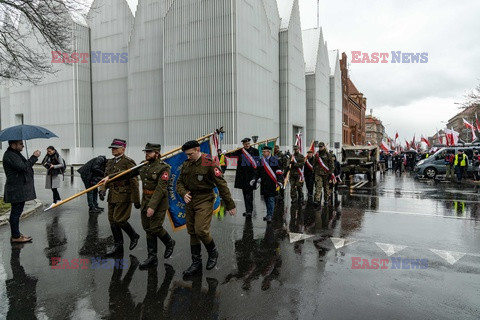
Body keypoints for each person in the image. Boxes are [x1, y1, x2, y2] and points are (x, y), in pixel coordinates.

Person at [101, 143, 175, 269]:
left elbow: (161, 189)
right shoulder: (143, 164)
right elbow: (127, 173)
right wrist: (109, 177)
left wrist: (152, 206)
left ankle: (169, 242)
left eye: (149, 152)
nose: (146, 154)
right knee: (147, 228)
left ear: (157, 153)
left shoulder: (164, 168)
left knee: (155, 227)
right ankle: (152, 257)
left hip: (158, 202)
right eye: (145, 152)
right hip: (146, 200)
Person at [176, 140, 236, 277]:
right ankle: (196, 263)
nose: (188, 157)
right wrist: (183, 193)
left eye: (190, 154)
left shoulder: (208, 163)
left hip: (205, 199)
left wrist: (230, 204)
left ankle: (213, 251)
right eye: (186, 155)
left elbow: (221, 184)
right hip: (190, 200)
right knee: (192, 232)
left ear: (198, 150)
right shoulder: (186, 164)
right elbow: (179, 183)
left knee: (201, 230)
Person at [99, 139, 141, 256]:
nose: (113, 150)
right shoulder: (110, 162)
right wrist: (102, 190)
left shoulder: (128, 162)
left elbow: (134, 181)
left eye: (116, 148)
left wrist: (136, 200)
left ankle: (133, 235)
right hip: (112, 195)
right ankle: (118, 248)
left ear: (123, 149)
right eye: (112, 148)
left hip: (124, 195)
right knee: (112, 222)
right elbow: (105, 178)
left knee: (119, 220)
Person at [2, 140, 40, 243]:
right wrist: (34, 157)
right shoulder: (10, 155)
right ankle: (15, 236)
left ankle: (16, 234)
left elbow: (24, 166)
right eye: (20, 144)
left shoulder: (15, 154)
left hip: (17, 188)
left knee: (16, 212)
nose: (23, 145)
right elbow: (23, 167)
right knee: (15, 213)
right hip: (16, 189)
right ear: (13, 145)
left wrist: (31, 159)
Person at [225, 138, 259, 217]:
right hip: (243, 176)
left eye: (248, 144)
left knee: (249, 195)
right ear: (243, 144)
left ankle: (250, 211)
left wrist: (256, 176)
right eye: (245, 144)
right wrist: (225, 153)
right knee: (245, 194)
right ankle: (247, 210)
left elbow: (257, 163)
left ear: (249, 143)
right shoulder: (240, 151)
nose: (247, 145)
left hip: (251, 176)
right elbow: (231, 155)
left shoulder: (255, 151)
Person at [253, 146, 283, 222]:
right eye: (262, 152)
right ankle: (268, 214)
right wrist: (255, 179)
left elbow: (279, 171)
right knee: (266, 199)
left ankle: (270, 215)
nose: (263, 153)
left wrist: (280, 181)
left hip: (272, 183)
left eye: (264, 152)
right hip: (264, 183)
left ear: (269, 152)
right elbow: (257, 171)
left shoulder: (275, 160)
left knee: (271, 199)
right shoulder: (261, 161)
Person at [313, 142, 334, 206]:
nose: (320, 148)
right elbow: (314, 164)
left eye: (321, 147)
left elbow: (331, 165)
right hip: (318, 173)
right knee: (318, 187)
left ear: (324, 147)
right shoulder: (317, 155)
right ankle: (317, 200)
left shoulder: (328, 155)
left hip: (326, 174)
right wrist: (313, 172)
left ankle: (326, 199)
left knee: (326, 187)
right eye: (319, 147)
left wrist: (330, 174)